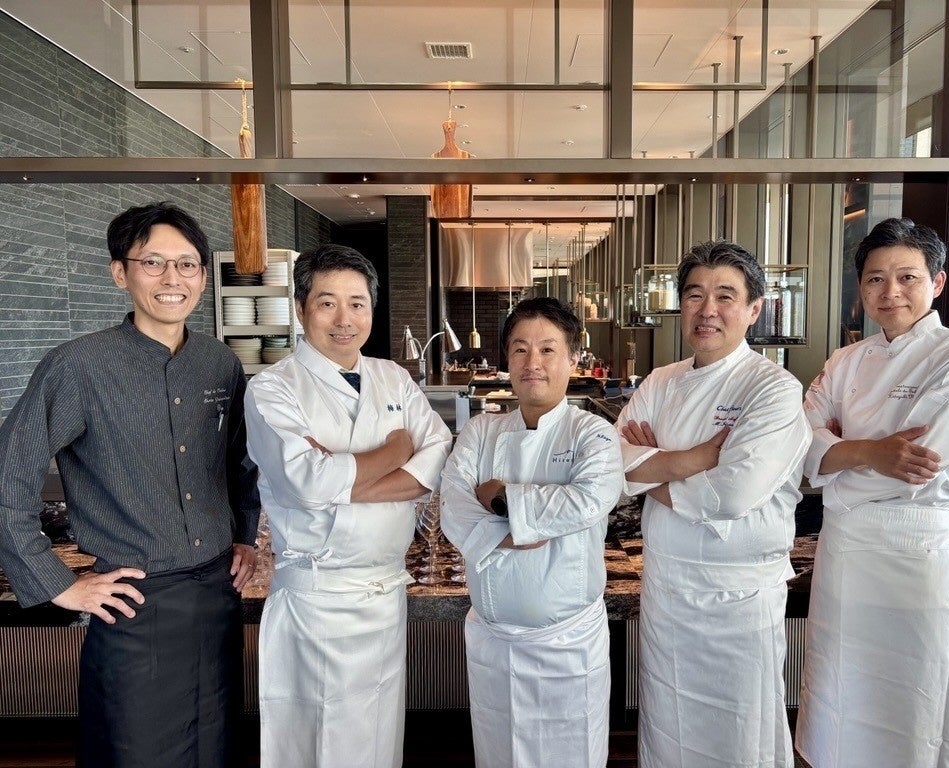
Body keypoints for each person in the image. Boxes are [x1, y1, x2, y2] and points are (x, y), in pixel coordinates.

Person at [0, 201, 261, 767]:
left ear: (204, 275)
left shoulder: (219, 363)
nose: (174, 279)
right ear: (120, 272)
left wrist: (244, 536)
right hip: (134, 604)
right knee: (134, 752)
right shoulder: (79, 365)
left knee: (215, 749)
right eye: (153, 263)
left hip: (217, 597)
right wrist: (55, 581)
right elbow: (9, 470)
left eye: (187, 265)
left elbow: (239, 463)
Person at [794, 218, 949, 768]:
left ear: (937, 282)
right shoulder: (847, 361)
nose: (890, 293)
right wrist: (869, 452)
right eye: (874, 279)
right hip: (842, 550)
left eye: (907, 277)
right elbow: (796, 441)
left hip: (912, 551)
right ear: (860, 287)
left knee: (917, 691)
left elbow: (918, 467)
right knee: (841, 690)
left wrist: (836, 454)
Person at [244, 244, 451, 768]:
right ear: (299, 308)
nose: (345, 320)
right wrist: (395, 450)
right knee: (315, 741)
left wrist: (346, 479)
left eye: (357, 304)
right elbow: (305, 480)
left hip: (384, 594)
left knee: (377, 740)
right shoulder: (272, 388)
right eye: (327, 303)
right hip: (316, 599)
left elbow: (437, 453)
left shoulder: (393, 378)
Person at [616, 240, 810, 768]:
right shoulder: (661, 380)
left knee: (738, 732)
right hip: (668, 585)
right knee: (669, 724)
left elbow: (733, 494)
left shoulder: (772, 388)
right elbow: (611, 467)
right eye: (695, 295)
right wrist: (695, 458)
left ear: (753, 309)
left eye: (726, 296)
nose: (708, 310)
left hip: (738, 594)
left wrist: (650, 469)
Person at [440, 297, 623, 768]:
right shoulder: (481, 431)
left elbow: (587, 501)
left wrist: (500, 496)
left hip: (567, 645)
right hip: (493, 642)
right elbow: (454, 510)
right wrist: (523, 528)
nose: (532, 363)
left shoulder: (594, 434)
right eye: (520, 350)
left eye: (547, 349)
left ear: (574, 358)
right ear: (506, 359)